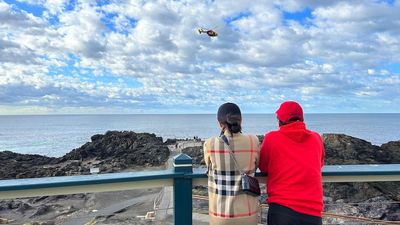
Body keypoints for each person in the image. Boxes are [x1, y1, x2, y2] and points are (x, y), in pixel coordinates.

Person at [259, 101, 324, 225]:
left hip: (282, 209)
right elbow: (319, 163)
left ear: (279, 121)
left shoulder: (272, 138)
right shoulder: (316, 138)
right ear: (302, 119)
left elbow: (263, 167)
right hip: (313, 211)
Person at [203, 102, 260, 225]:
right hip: (249, 216)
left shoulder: (210, 144)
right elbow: (256, 165)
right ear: (241, 120)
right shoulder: (253, 141)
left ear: (220, 124)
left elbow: (208, 165)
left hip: (220, 216)